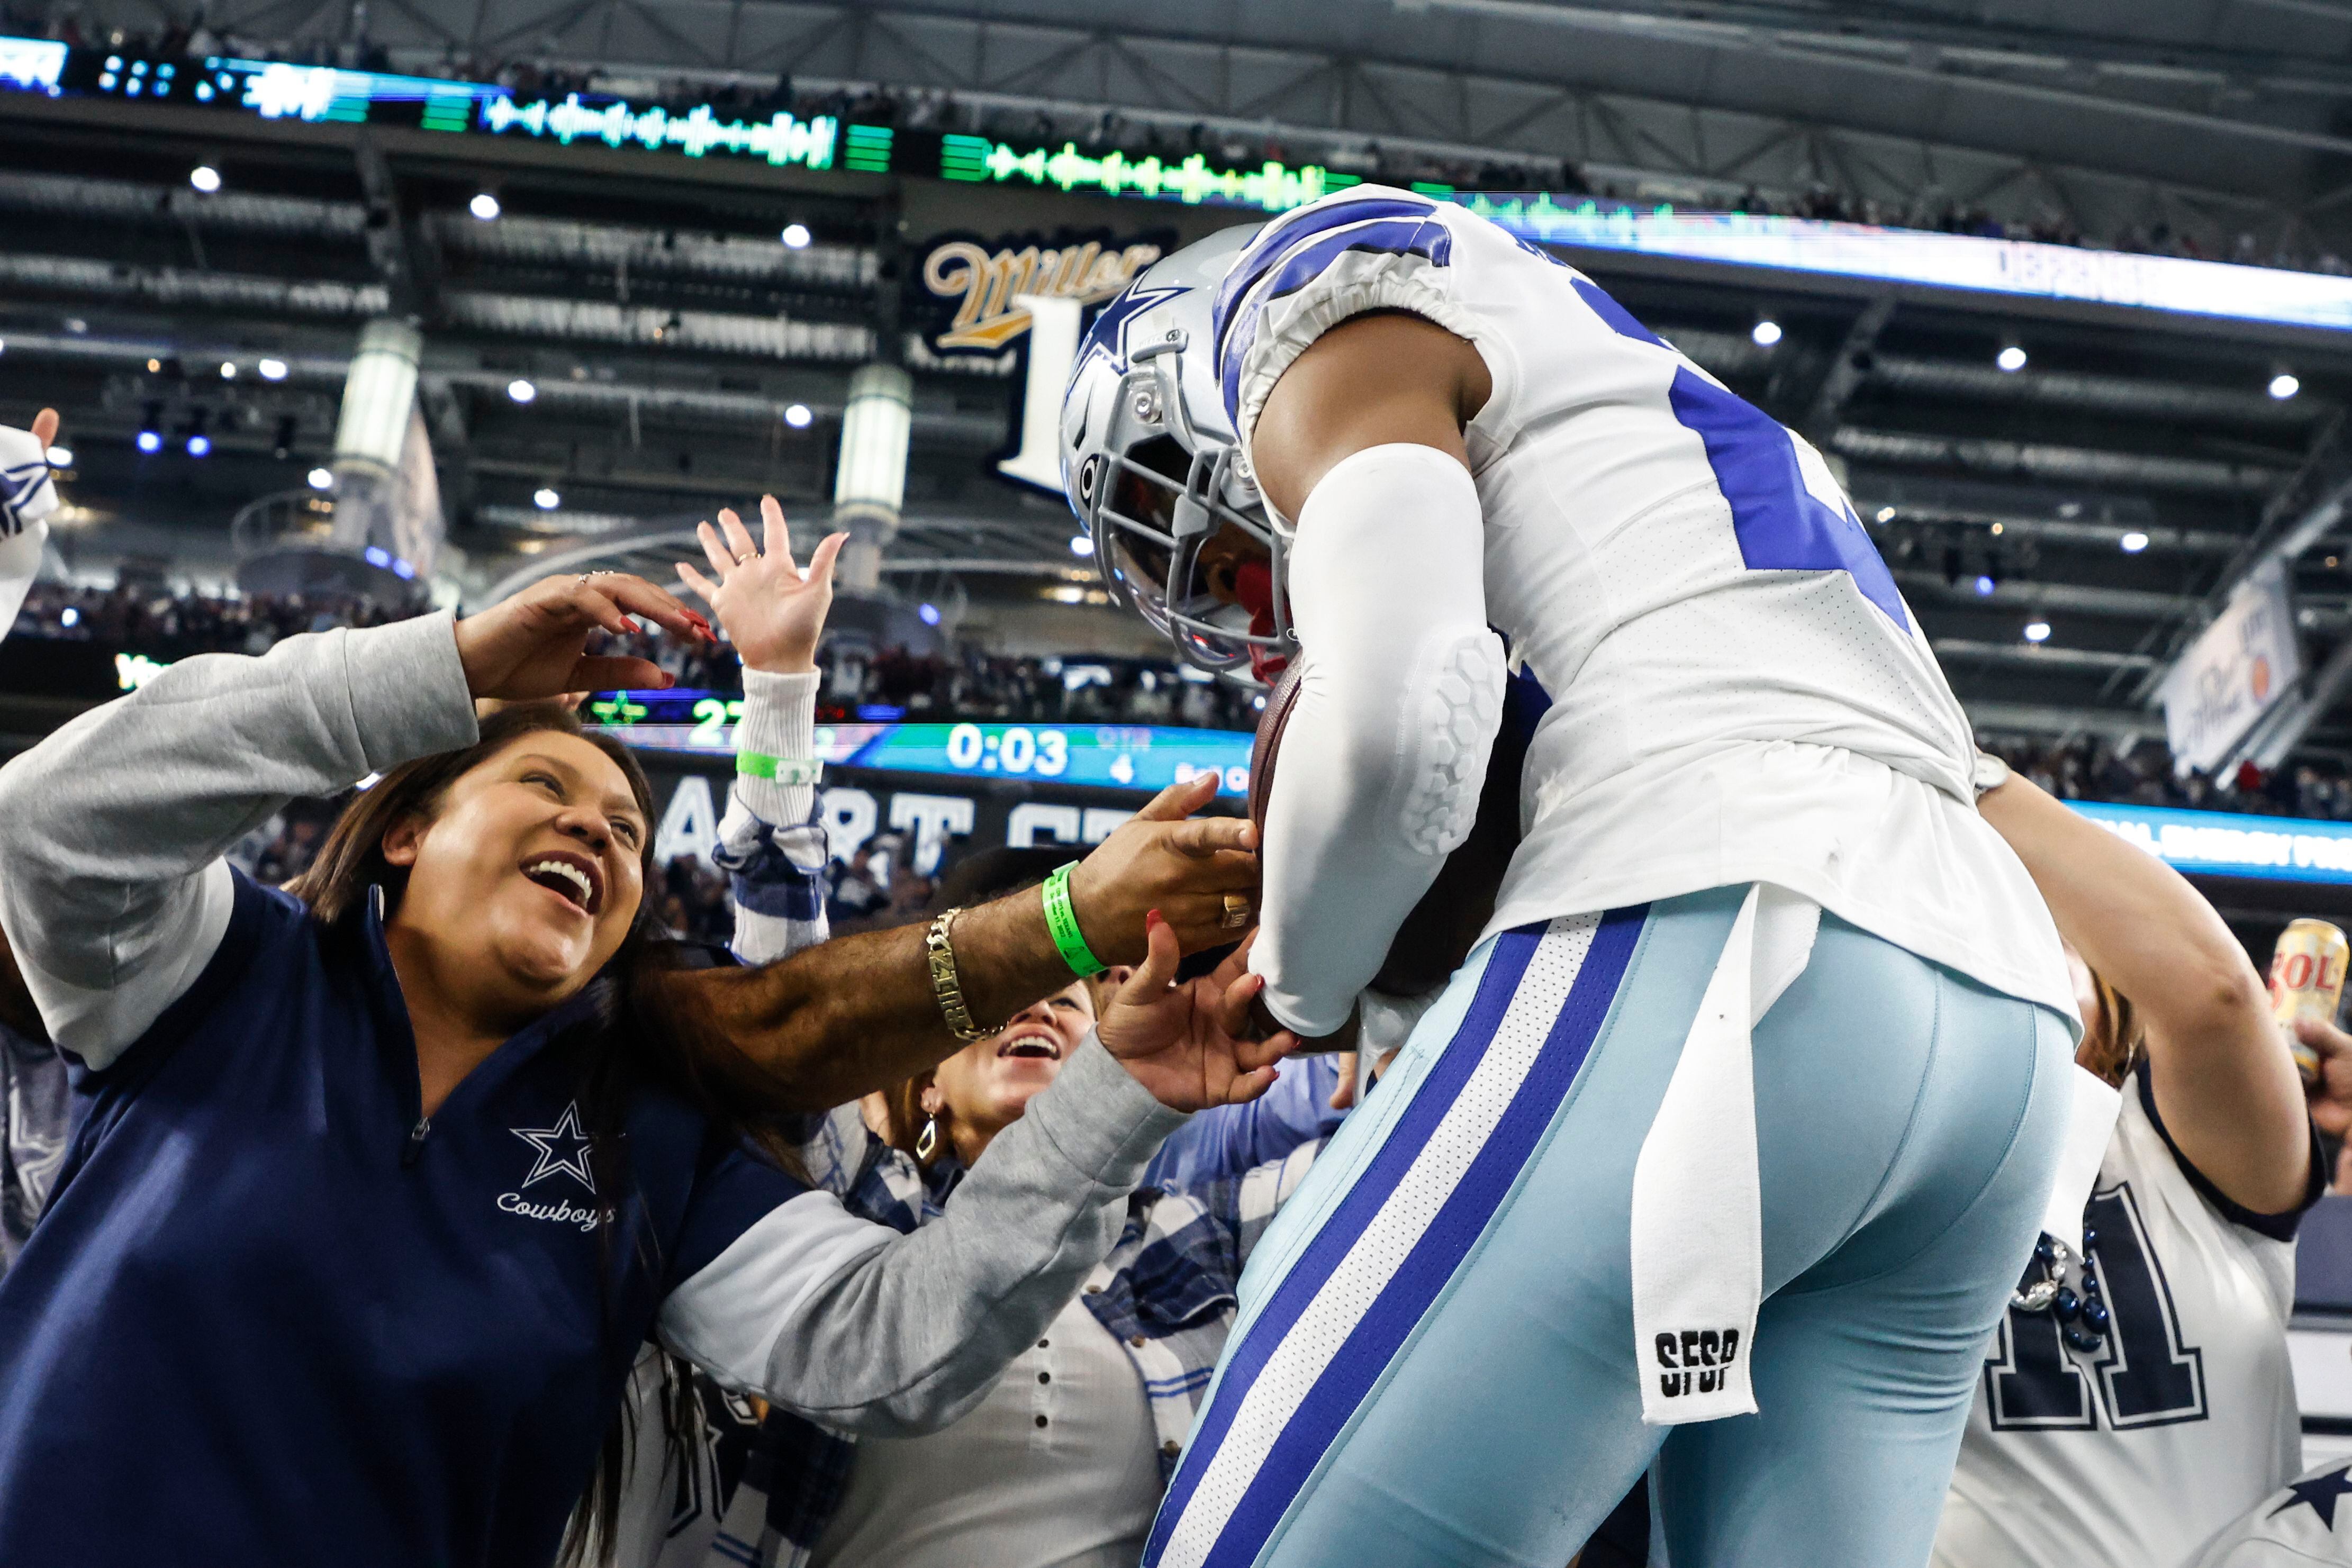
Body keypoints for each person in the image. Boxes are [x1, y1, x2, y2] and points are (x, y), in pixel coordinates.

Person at [0, 462, 1290, 1566]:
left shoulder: (646, 1136)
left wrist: (1116, 1101)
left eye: (627, 830)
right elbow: (47, 830)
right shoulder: (228, 970)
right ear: (402, 825)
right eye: (547, 784)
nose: (598, 831)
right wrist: (439, 668)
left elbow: (894, 1344)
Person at [1059, 190, 2084, 1567]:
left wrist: (1294, 986)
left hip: (1732, 928)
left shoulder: (1318, 283)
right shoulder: (1659, 450)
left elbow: (1398, 720)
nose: (1241, 587)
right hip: (2001, 1030)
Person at [1933, 762, 2327, 1567]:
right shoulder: (1888, 1139)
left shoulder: (2188, 1155)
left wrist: (1937, 756)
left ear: (2120, 1011)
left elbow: (2212, 989)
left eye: (2045, 931)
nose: (2005, 946)